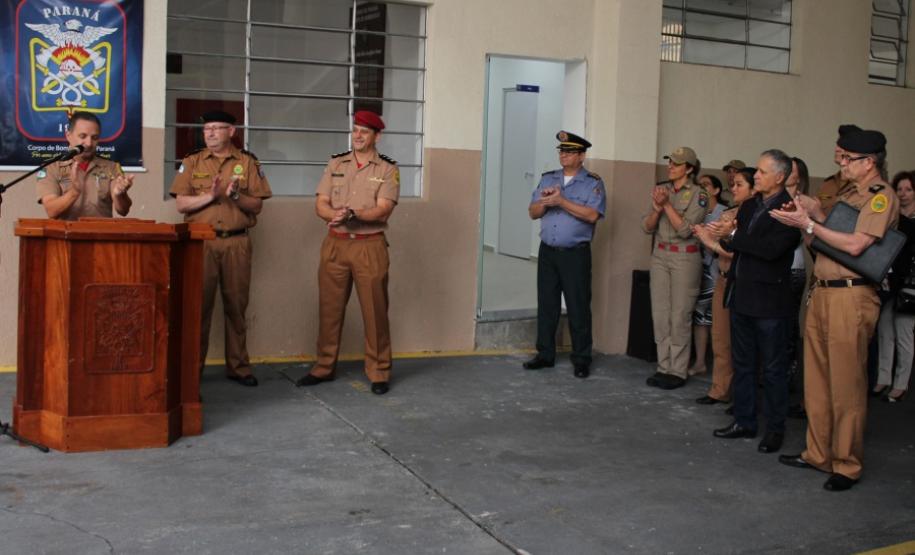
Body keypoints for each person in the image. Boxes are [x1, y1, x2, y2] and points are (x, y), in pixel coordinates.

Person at [771, 128, 899, 491]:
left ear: (869, 162)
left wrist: (811, 222)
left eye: (847, 158)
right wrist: (807, 218)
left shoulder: (880, 196)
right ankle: (818, 453)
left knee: (846, 386)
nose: (841, 163)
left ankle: (846, 463)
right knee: (816, 382)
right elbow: (822, 243)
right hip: (823, 292)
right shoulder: (847, 193)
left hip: (851, 297)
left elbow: (857, 245)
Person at [297, 110, 399, 395]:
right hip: (336, 244)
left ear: (377, 136)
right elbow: (321, 203)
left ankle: (379, 371)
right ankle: (323, 367)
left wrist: (354, 214)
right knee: (329, 309)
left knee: (374, 311)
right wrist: (335, 215)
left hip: (369, 245)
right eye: (355, 130)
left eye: (364, 131)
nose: (357, 136)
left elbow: (384, 209)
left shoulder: (387, 169)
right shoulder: (336, 163)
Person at [170, 110, 273, 387]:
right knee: (197, 309)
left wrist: (235, 195)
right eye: (207, 129)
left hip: (236, 243)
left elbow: (257, 206)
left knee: (236, 307)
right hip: (200, 243)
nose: (211, 133)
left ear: (231, 132)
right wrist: (210, 195)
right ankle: (192, 373)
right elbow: (181, 204)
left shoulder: (247, 162)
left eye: (217, 128)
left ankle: (238, 367)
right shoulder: (192, 161)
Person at [710, 150, 800, 454]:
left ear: (780, 177)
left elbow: (771, 250)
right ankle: (743, 420)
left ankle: (775, 429)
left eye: (762, 171)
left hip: (770, 301)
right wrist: (726, 235)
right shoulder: (749, 205)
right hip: (743, 295)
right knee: (743, 364)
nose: (756, 176)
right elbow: (735, 244)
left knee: (773, 369)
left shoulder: (788, 209)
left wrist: (734, 234)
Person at [522, 131, 606, 378]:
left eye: (569, 152)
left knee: (578, 306)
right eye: (561, 151)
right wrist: (545, 202)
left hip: (575, 255)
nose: (563, 155)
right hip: (548, 252)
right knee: (547, 304)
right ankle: (545, 354)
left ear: (581, 156)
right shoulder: (549, 178)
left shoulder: (592, 183)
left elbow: (592, 215)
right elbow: (533, 212)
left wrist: (561, 201)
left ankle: (581, 358)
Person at [642, 147, 710, 390]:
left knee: (680, 315)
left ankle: (678, 370)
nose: (670, 166)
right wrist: (657, 208)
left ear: (689, 169)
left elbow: (685, 230)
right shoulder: (663, 189)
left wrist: (667, 206)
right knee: (660, 313)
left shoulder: (699, 194)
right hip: (660, 255)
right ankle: (663, 366)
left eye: (677, 163)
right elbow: (647, 227)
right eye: (670, 162)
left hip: (685, 257)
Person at [693, 167, 756, 406]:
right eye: (733, 184)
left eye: (740, 184)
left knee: (743, 342)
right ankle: (719, 389)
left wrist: (713, 239)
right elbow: (716, 248)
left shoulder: (756, 216)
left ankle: (742, 396)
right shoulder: (728, 213)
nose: (734, 188)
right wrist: (705, 235)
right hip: (722, 278)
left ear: (754, 189)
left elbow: (739, 251)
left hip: (743, 281)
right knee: (720, 338)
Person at [37, 111, 133, 220]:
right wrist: (74, 192)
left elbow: (123, 211)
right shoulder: (51, 168)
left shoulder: (111, 167)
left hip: (101, 231)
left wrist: (120, 195)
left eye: (94, 137)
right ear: (68, 136)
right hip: (66, 231)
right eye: (82, 136)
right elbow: (51, 211)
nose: (89, 143)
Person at [874, 170, 915, 402]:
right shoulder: (892, 218)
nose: (903, 193)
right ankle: (883, 379)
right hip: (890, 282)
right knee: (884, 331)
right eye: (899, 189)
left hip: (910, 285)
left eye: (909, 189)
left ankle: (900, 384)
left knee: (903, 334)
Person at [688, 174, 727, 376]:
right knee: (700, 318)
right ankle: (700, 362)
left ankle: (722, 369)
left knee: (719, 322)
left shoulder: (724, 213)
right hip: (697, 270)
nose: (701, 188)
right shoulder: (696, 210)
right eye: (699, 184)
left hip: (717, 272)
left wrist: (706, 236)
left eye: (706, 185)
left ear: (716, 190)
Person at [785, 157, 811, 418]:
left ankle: (789, 375)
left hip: (792, 268)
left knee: (789, 325)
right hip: (773, 269)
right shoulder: (774, 197)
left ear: (799, 176)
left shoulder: (803, 202)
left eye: (790, 170)